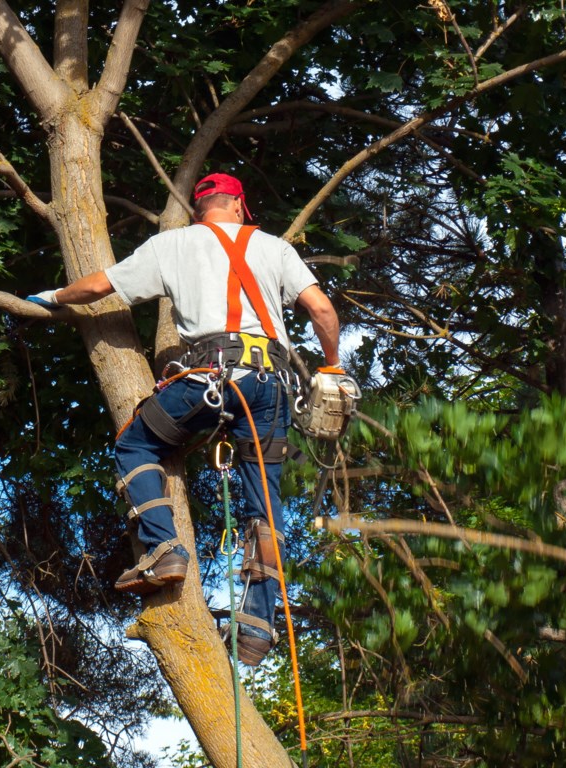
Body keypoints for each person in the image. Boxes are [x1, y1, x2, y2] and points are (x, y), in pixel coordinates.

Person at [26, 173, 343, 666]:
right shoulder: (274, 247)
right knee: (264, 502)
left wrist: (54, 297)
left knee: (136, 445)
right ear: (240, 205)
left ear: (200, 211)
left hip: (211, 377)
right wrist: (331, 364)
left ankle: (164, 549)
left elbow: (98, 286)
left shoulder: (170, 245)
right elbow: (321, 308)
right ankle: (258, 625)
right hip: (271, 388)